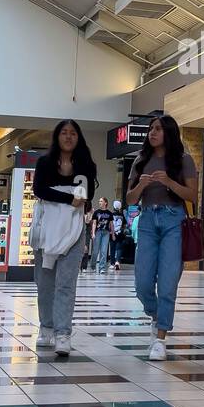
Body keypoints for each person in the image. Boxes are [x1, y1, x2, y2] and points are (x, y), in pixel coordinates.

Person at [126, 115, 198, 361]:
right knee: (142, 284)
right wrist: (141, 187)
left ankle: (160, 338)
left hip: (173, 220)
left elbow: (192, 195)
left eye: (158, 129)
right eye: (150, 129)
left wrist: (169, 182)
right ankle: (156, 315)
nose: (152, 133)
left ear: (169, 132)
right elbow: (129, 199)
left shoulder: (182, 160)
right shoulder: (140, 160)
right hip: (146, 221)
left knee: (167, 284)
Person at [31, 119, 97, 358]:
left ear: (78, 137)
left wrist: (63, 196)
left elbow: (86, 194)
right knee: (45, 282)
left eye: (73, 133)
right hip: (47, 230)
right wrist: (68, 198)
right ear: (57, 136)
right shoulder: (45, 163)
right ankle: (46, 326)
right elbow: (39, 190)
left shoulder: (86, 165)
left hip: (74, 229)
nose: (68, 137)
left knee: (66, 283)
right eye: (64, 133)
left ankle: (63, 333)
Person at [90, 197, 112, 274]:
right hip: (98, 232)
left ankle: (102, 268)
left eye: (101, 201)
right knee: (95, 251)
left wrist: (112, 233)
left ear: (105, 203)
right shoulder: (96, 212)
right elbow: (94, 223)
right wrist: (93, 233)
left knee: (104, 251)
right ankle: (92, 265)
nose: (99, 202)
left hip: (106, 233)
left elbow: (111, 224)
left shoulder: (109, 213)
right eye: (99, 201)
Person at [108, 199, 127, 270]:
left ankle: (112, 263)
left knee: (112, 248)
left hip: (112, 234)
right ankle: (117, 261)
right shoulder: (122, 215)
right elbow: (124, 225)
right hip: (120, 234)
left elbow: (109, 224)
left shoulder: (111, 215)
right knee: (119, 248)